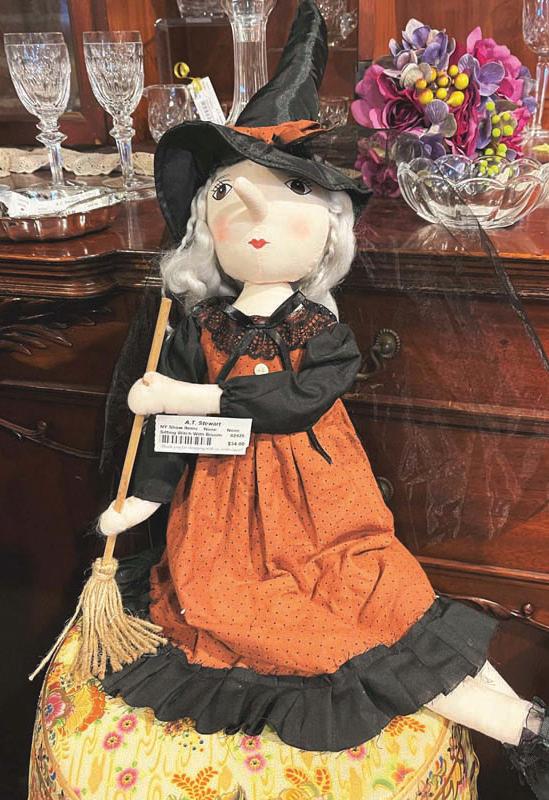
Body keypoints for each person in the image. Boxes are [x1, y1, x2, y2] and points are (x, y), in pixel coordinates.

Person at [98, 2, 549, 796]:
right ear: (205, 226)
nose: (254, 215)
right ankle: (526, 728)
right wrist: (142, 499)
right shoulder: (198, 325)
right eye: (227, 194)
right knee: (248, 610)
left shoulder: (320, 331)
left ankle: (524, 726)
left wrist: (188, 397)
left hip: (324, 509)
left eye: (287, 193)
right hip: (223, 522)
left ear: (328, 227)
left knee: (379, 598)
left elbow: (292, 403)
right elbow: (169, 437)